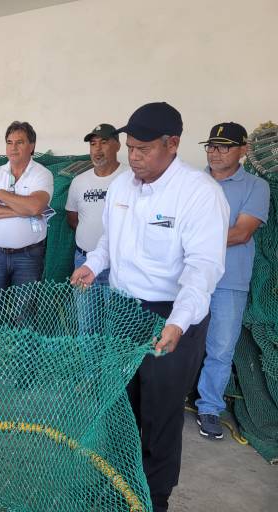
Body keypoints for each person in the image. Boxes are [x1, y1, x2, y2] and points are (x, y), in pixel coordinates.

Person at [70, 102, 229, 512]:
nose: (133, 156)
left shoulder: (199, 194)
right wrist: (92, 265)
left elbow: (202, 269)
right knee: (121, 404)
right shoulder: (123, 187)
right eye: (130, 147)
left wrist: (178, 322)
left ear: (172, 144)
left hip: (172, 316)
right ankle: (117, 482)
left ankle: (154, 497)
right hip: (123, 310)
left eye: (143, 149)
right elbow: (109, 240)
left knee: (160, 411)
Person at [195, 122, 270, 439]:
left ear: (244, 150)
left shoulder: (255, 186)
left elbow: (242, 233)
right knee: (175, 339)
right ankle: (167, 399)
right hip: (188, 278)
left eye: (224, 146)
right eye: (211, 145)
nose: (214, 152)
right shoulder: (192, 182)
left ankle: (209, 408)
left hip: (229, 281)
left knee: (221, 348)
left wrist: (192, 241)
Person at [0, 121, 53, 291]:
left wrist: (2, 194)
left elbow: (35, 207)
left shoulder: (42, 174)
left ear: (32, 146)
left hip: (29, 256)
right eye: (9, 142)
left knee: (24, 313)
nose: (13, 148)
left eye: (20, 142)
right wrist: (20, 210)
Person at [65, 123, 128, 285]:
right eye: (93, 144)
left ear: (118, 146)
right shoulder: (79, 181)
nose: (97, 149)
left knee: (117, 310)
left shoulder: (131, 178)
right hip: (83, 260)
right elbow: (73, 219)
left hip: (118, 262)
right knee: (85, 311)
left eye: (104, 142)